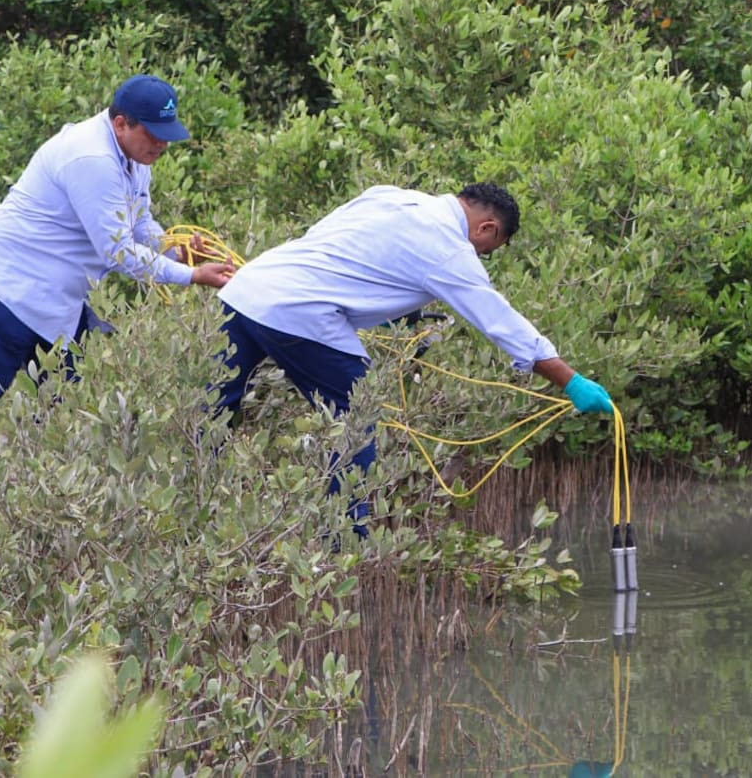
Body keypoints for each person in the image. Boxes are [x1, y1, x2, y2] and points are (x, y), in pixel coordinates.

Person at [212, 182, 614, 529]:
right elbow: (499, 321)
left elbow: (339, 245)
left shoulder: (391, 197)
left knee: (210, 418)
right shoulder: (450, 251)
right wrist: (570, 380)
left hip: (246, 290)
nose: (483, 257)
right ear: (486, 227)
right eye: (490, 249)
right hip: (299, 311)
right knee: (356, 418)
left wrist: (388, 308)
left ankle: (192, 515)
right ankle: (345, 544)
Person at [0, 74, 237, 460]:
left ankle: (44, 504)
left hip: (58, 303)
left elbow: (140, 226)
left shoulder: (137, 158)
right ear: (121, 123)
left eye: (167, 134)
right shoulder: (91, 158)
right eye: (154, 134)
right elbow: (118, 252)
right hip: (4, 292)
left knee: (68, 406)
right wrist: (190, 276)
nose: (162, 144)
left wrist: (176, 252)